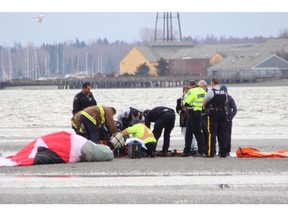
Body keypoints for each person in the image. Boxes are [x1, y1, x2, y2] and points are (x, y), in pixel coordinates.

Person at [0, 131, 114, 167]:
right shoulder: (91, 149)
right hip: (70, 143)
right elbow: (107, 154)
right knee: (35, 156)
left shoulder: (85, 144)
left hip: (67, 139)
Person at [203, 76, 228, 158]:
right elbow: (226, 101)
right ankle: (223, 152)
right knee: (222, 133)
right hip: (223, 113)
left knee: (212, 133)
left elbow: (205, 101)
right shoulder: (224, 92)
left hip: (214, 113)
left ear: (212, 82)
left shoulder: (211, 91)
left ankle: (211, 152)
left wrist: (204, 107)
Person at [181, 80, 207, 157]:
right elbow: (206, 100)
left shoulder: (191, 91)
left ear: (191, 86)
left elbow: (186, 102)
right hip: (200, 112)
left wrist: (185, 97)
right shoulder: (202, 91)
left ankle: (201, 151)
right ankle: (187, 150)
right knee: (189, 132)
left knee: (197, 132)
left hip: (192, 112)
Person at [176, 85, 198, 155]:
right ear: (183, 92)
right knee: (185, 134)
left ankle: (194, 147)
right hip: (183, 119)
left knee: (193, 134)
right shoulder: (179, 100)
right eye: (185, 91)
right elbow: (177, 108)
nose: (186, 93)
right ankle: (188, 146)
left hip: (191, 117)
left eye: (187, 92)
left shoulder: (191, 98)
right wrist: (180, 112)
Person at [220, 84, 237, 156]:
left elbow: (235, 109)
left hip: (227, 120)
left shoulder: (230, 99)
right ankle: (221, 150)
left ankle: (227, 151)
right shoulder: (219, 98)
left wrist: (230, 118)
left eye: (224, 92)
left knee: (227, 135)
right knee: (220, 135)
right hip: (220, 119)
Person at [197, 80, 209, 150]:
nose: (199, 88)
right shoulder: (198, 93)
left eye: (200, 87)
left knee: (207, 132)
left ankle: (208, 148)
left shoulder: (209, 93)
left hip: (207, 116)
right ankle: (203, 149)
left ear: (205, 87)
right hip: (200, 115)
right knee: (202, 132)